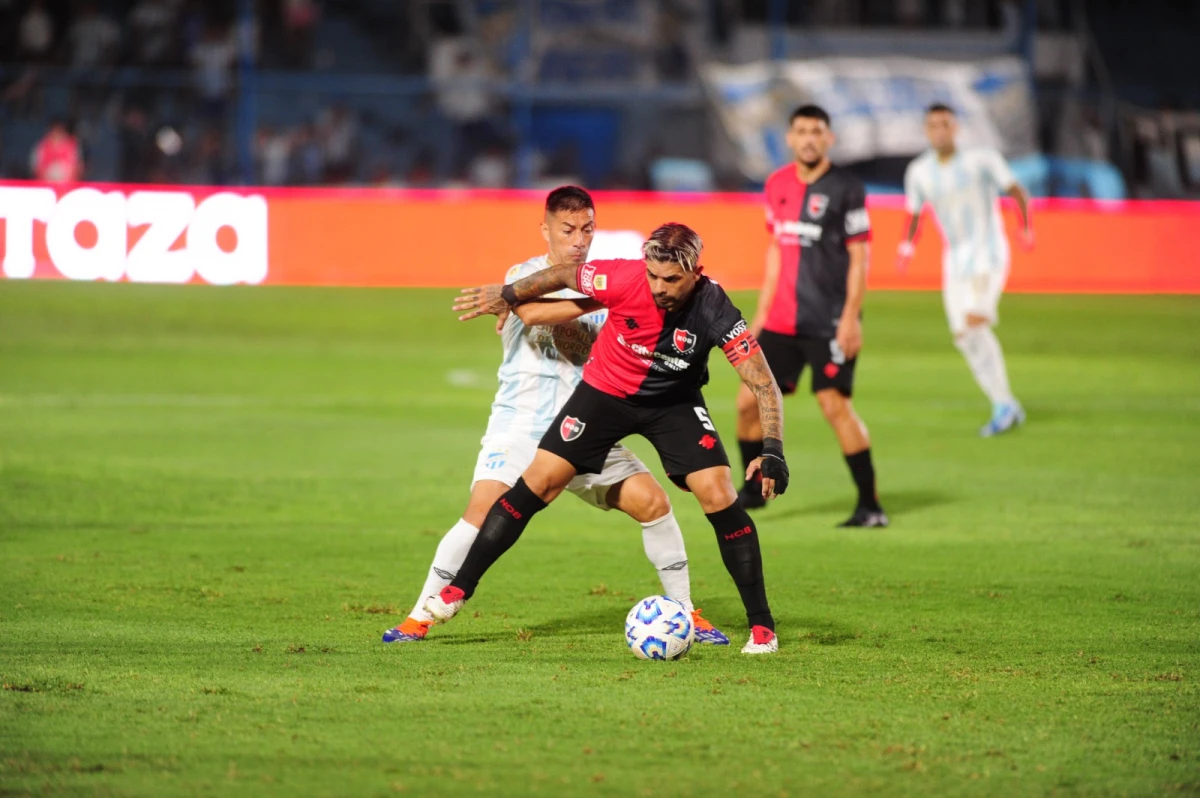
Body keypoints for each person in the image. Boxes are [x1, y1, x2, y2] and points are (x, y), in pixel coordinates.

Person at [383, 187, 729, 647]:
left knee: (654, 504)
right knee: (482, 511)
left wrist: (609, 300)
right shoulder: (525, 275)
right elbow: (534, 315)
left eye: (587, 229)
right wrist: (600, 302)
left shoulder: (611, 284)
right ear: (545, 229)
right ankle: (419, 617)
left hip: (588, 423)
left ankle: (686, 614)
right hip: (522, 422)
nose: (579, 240)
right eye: (568, 230)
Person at [432, 222, 791, 655]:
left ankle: (762, 628)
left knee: (718, 494)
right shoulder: (621, 276)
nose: (659, 287)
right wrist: (511, 294)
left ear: (696, 271)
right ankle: (458, 590)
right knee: (539, 482)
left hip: (673, 403)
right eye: (653, 275)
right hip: (604, 394)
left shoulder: (716, 308)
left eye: (671, 280)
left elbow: (764, 383)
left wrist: (773, 450)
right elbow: (565, 275)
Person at [736, 104, 887, 528]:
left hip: (828, 323)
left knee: (834, 406)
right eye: (801, 131)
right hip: (782, 322)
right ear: (789, 138)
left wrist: (851, 318)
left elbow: (860, 257)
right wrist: (762, 315)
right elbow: (775, 251)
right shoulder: (777, 184)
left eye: (817, 131)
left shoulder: (846, 188)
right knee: (748, 403)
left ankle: (870, 505)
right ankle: (754, 492)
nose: (808, 138)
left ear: (829, 138)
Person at [898, 103, 1033, 436]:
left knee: (974, 325)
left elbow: (1015, 189)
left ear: (956, 127)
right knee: (963, 336)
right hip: (954, 262)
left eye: (945, 124)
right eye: (933, 125)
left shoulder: (981, 160)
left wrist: (1026, 226)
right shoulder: (919, 171)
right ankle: (1005, 403)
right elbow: (915, 212)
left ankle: (1003, 405)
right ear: (926, 131)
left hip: (988, 254)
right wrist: (907, 246)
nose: (939, 130)